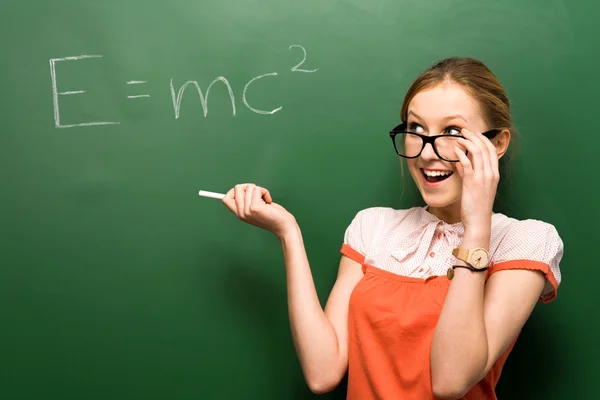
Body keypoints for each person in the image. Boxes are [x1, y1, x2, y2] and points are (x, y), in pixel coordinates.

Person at [221, 57, 563, 400]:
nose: (428, 154)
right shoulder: (373, 227)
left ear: (497, 144)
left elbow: (449, 381)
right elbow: (322, 373)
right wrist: (288, 233)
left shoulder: (525, 241)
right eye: (416, 130)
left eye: (453, 132)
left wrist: (476, 229)